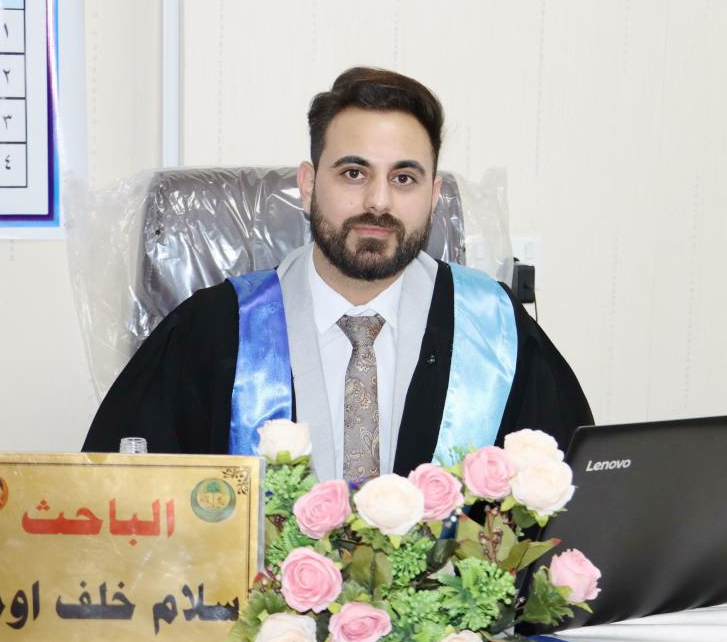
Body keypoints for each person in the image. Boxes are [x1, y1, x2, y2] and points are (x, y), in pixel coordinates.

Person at [83, 67, 593, 480]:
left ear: (434, 197)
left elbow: (569, 510)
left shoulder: (495, 331)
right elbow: (123, 509)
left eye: (404, 178)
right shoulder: (212, 330)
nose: (378, 201)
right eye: (353, 173)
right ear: (308, 185)